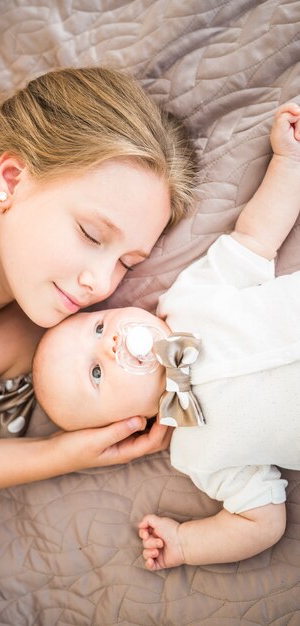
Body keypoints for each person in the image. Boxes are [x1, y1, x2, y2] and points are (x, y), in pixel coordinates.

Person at [0, 66, 197, 505]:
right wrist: (57, 456)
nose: (100, 283)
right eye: (90, 235)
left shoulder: (39, 346)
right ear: (10, 180)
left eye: (127, 262)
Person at [32, 101, 300, 568]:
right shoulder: (197, 452)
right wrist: (186, 543)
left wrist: (289, 162)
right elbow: (262, 519)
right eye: (96, 372)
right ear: (126, 423)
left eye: (98, 327)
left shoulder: (190, 298)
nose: (110, 343)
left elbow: (257, 238)